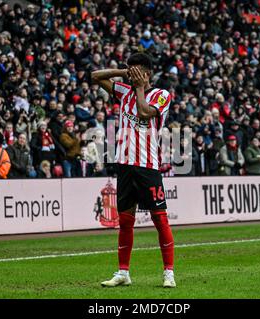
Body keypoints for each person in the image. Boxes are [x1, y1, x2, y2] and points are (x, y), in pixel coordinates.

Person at [92, 53, 176, 288]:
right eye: (131, 70)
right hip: (125, 165)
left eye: (136, 70)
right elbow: (95, 76)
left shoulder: (162, 95)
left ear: (147, 74)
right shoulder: (124, 91)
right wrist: (122, 73)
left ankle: (168, 272)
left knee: (160, 220)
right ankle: (123, 272)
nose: (133, 74)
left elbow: (144, 112)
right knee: (125, 221)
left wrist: (139, 87)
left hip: (148, 167)